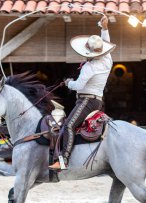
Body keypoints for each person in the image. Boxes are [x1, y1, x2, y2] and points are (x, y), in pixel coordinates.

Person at [49, 16, 116, 170]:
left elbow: (79, 85)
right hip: (97, 100)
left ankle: (63, 160)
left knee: (68, 126)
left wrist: (68, 83)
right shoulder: (107, 59)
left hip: (87, 101)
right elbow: (105, 41)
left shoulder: (89, 67)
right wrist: (104, 28)